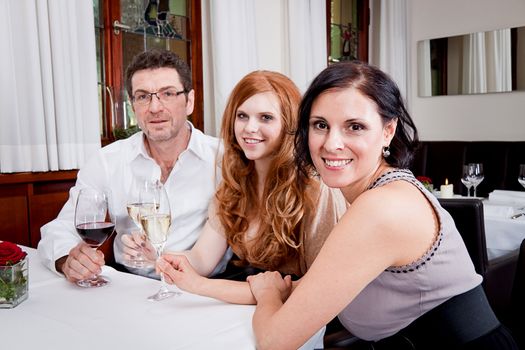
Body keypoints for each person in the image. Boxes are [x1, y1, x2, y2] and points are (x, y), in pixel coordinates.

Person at [246, 61, 518, 349]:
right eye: (321, 125)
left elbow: (275, 341)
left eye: (355, 126)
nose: (331, 143)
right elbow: (312, 290)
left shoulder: (382, 207)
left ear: (388, 131)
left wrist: (268, 297)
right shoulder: (381, 189)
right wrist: (201, 285)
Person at [140, 70, 347, 306]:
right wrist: (159, 255)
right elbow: (201, 259)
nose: (249, 128)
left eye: (266, 118)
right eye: (242, 116)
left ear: (290, 125)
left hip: (305, 312)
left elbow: (317, 289)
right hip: (251, 303)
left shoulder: (316, 189)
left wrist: (202, 286)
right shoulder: (234, 184)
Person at [38, 49, 228, 282]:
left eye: (167, 93)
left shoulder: (224, 159)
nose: (155, 107)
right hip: (130, 284)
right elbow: (61, 228)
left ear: (189, 102)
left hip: (207, 286)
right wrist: (67, 259)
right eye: (142, 96)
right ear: (132, 106)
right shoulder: (107, 161)